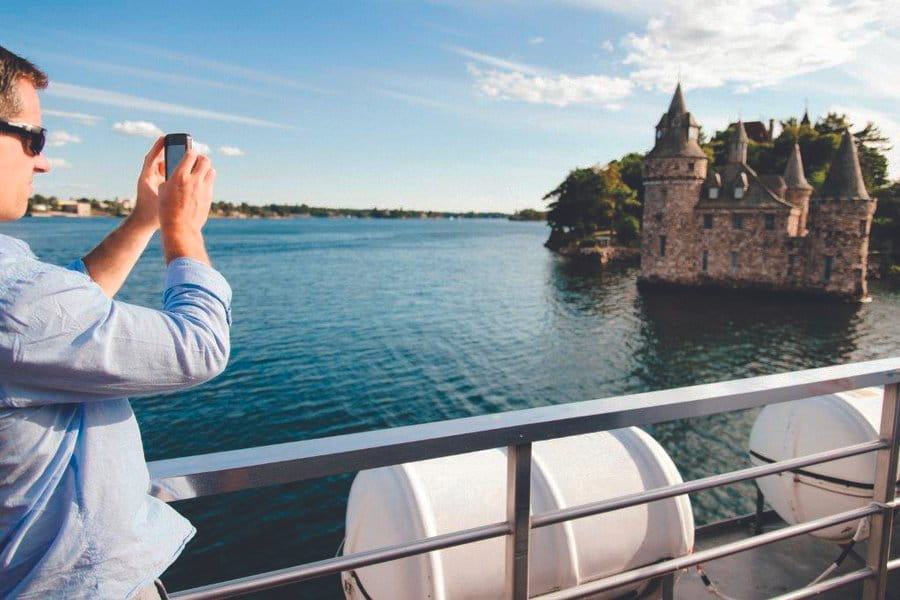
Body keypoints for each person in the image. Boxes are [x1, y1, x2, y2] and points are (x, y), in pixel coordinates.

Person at [0, 46, 231, 599]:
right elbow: (197, 348)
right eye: (34, 138)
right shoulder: (15, 298)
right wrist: (184, 233)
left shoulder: (24, 299)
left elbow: (56, 322)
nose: (43, 161)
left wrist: (143, 220)